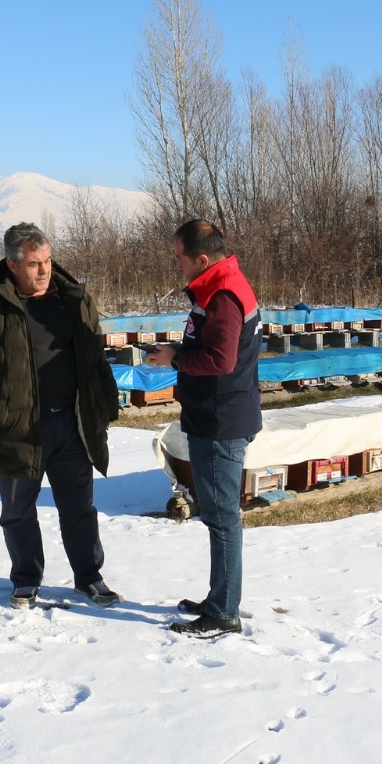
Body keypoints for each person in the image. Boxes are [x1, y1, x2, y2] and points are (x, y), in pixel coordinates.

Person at [0, 222, 123, 609]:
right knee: (18, 511)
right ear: (12, 265)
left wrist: (104, 403)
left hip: (71, 424)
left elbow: (94, 357)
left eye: (47, 260)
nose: (44, 270)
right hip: (16, 427)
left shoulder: (73, 299)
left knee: (79, 507)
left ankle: (89, 577)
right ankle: (27, 579)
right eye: (33, 263)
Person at [144, 219, 263, 638]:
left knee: (221, 518)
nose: (176, 264)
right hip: (215, 415)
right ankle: (219, 598)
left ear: (202, 259)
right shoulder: (216, 285)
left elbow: (221, 361)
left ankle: (223, 611)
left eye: (179, 257)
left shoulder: (223, 294)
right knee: (218, 516)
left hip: (220, 421)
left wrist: (175, 358)